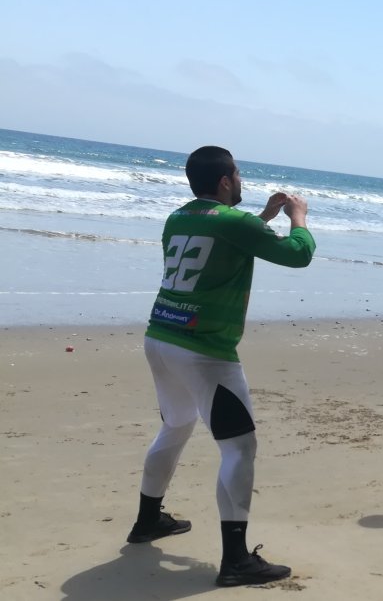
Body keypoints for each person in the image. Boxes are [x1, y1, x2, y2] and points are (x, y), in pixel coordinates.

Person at [127, 146, 316, 587]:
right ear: (226, 181)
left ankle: (147, 521)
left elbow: (218, 244)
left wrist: (262, 217)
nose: (241, 179)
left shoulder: (177, 219)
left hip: (161, 338)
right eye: (238, 174)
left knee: (174, 427)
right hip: (205, 350)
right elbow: (298, 254)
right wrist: (298, 217)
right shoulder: (238, 223)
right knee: (240, 449)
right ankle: (236, 561)